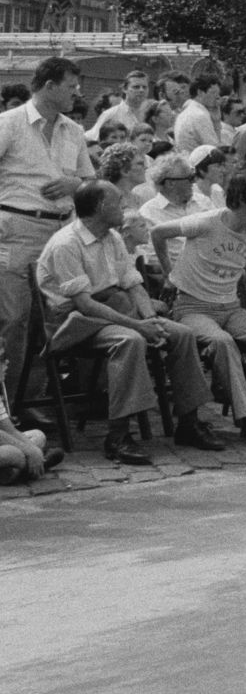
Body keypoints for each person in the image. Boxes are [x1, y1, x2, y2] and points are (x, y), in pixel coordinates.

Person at [37, 180, 227, 460]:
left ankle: (189, 422)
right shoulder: (66, 243)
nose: (125, 208)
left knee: (182, 334)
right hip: (74, 322)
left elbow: (132, 284)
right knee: (130, 340)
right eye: (119, 203)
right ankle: (118, 436)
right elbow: (85, 305)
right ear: (101, 207)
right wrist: (138, 326)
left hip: (113, 310)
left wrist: (150, 320)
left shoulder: (112, 237)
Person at [147, 172, 246, 447]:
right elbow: (158, 233)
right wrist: (170, 272)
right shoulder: (207, 221)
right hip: (192, 307)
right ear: (241, 198)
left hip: (230, 308)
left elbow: (234, 265)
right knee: (222, 343)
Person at [0, 57, 94, 419]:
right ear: (49, 85)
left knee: (50, 321)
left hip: (60, 233)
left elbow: (90, 182)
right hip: (17, 230)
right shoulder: (10, 124)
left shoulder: (72, 130)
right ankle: (8, 408)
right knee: (14, 320)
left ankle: (30, 399)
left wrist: (77, 184)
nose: (77, 92)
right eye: (71, 86)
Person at [89, 70, 152, 145]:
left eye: (144, 87)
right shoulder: (111, 114)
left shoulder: (151, 114)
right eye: (136, 87)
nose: (141, 90)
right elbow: (91, 139)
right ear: (125, 89)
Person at [173, 73, 226, 156]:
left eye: (218, 94)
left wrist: (216, 121)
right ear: (200, 92)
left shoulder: (189, 110)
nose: (217, 97)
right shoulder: (199, 115)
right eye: (213, 93)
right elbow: (215, 150)